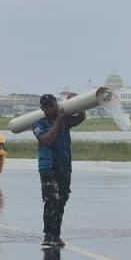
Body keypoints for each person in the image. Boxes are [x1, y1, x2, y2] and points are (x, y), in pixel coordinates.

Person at [32, 94, 85, 247]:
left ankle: (56, 235)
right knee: (51, 199)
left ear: (56, 104)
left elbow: (81, 117)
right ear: (42, 109)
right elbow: (46, 140)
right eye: (47, 107)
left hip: (64, 166)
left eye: (52, 105)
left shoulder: (64, 119)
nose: (50, 108)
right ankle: (48, 235)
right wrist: (58, 123)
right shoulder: (38, 124)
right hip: (48, 167)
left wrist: (77, 101)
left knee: (62, 199)